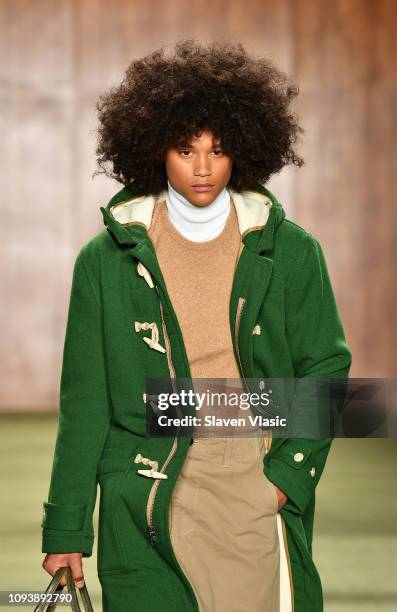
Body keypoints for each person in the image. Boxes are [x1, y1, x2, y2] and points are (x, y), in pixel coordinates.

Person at [41, 39, 352, 611]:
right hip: (142, 488)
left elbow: (328, 368)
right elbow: (85, 400)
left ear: (245, 150)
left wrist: (285, 476)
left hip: (248, 474)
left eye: (219, 149)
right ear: (155, 148)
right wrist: (65, 530)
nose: (203, 167)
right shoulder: (105, 259)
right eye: (186, 150)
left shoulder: (291, 251)